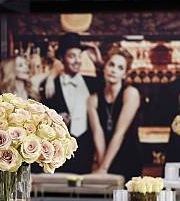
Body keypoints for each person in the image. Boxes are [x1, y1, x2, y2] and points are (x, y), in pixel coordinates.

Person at [40, 33, 100, 173]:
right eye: (72, 56)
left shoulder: (92, 83)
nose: (77, 60)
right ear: (62, 58)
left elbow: (114, 86)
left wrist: (98, 63)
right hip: (60, 155)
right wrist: (56, 120)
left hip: (88, 152)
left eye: (80, 56)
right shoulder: (50, 85)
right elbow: (41, 121)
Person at [88, 47, 142, 180]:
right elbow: (97, 134)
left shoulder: (131, 93)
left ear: (124, 74)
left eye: (120, 68)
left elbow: (120, 133)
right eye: (111, 65)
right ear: (104, 67)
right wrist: (103, 167)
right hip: (105, 158)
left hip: (129, 158)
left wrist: (104, 168)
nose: (113, 70)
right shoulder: (93, 100)